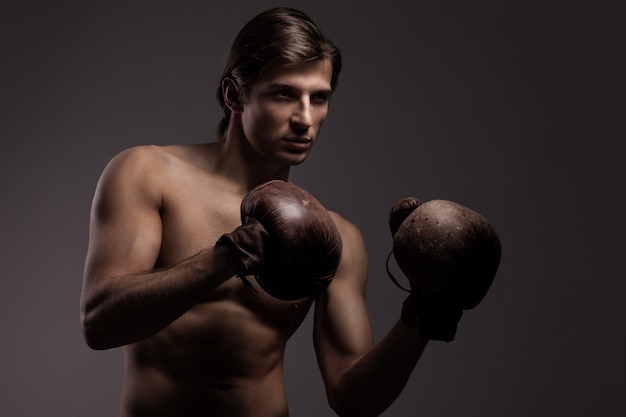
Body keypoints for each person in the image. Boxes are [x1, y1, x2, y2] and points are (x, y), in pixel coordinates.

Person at [81, 7, 457, 417]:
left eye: (320, 97)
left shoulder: (336, 239)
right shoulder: (149, 174)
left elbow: (354, 399)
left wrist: (422, 310)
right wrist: (229, 255)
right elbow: (100, 323)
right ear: (234, 95)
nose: (305, 119)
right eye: (284, 93)